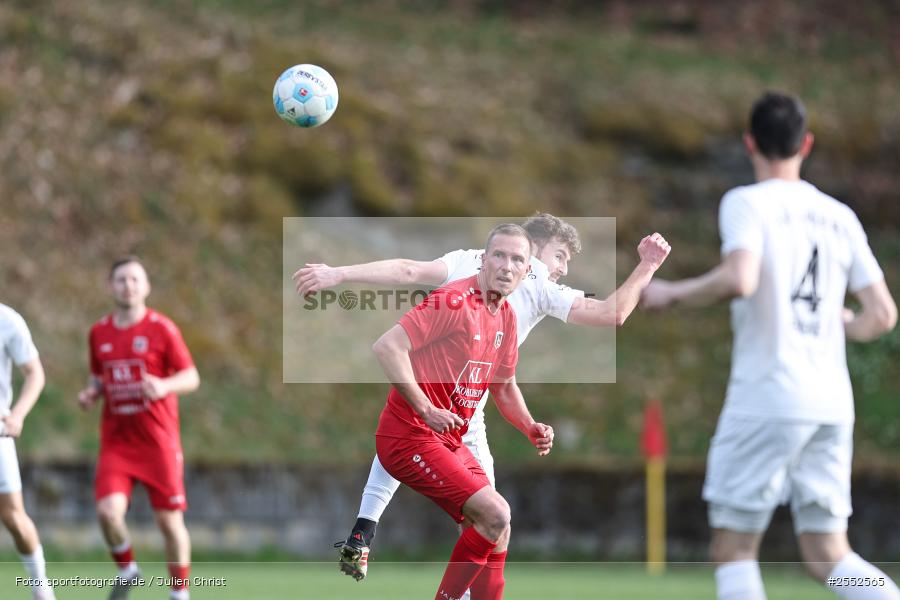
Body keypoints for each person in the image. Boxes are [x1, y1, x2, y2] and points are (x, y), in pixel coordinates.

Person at [294, 213, 671, 584]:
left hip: (458, 405)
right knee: (489, 518)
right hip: (452, 412)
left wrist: (339, 273)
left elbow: (408, 271)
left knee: (491, 522)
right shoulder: (537, 281)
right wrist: (648, 265)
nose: (563, 269)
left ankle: (364, 530)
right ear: (533, 250)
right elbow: (613, 313)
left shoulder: (471, 259)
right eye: (560, 256)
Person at [641, 91, 899, 600]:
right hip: (830, 407)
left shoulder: (746, 203)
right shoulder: (839, 216)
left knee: (733, 551)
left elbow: (741, 278)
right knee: (829, 555)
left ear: (749, 143)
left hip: (768, 397)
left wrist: (671, 292)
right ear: (806, 144)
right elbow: (883, 315)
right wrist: (833, 325)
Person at [373, 223, 551, 599]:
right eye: (498, 255)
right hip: (409, 436)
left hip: (447, 440)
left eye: (517, 259)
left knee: (499, 527)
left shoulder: (505, 317)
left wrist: (529, 425)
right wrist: (425, 407)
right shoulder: (452, 301)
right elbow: (387, 347)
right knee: (495, 514)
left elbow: (503, 386)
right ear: (483, 260)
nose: (506, 265)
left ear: (526, 271)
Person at [77, 257, 201, 600]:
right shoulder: (98, 332)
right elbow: (99, 375)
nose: (127, 285)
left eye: (134, 279)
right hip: (117, 443)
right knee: (107, 512)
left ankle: (180, 594)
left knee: (169, 523)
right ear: (110, 287)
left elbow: (191, 377)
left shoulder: (163, 329)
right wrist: (92, 393)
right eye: (120, 280)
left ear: (145, 286)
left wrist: (163, 386)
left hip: (158, 443)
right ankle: (128, 569)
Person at [0, 303, 56, 600]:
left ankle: (40, 585)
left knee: (13, 517)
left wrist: (17, 415)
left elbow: (35, 373)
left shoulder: (7, 320)